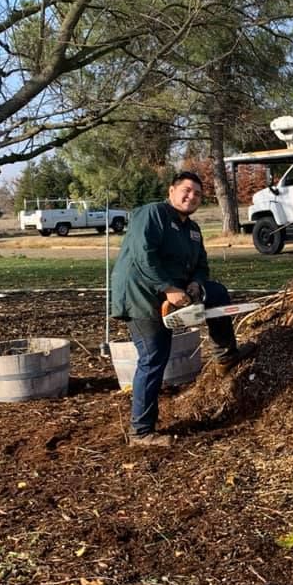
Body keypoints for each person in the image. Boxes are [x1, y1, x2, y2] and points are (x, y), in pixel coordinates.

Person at [111, 172, 257, 447]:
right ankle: (141, 432)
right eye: (186, 190)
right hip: (140, 295)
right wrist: (168, 289)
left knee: (216, 292)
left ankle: (226, 354)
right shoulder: (152, 214)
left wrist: (195, 285)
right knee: (153, 358)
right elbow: (144, 256)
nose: (191, 197)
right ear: (171, 190)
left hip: (176, 292)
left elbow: (201, 264)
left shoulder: (192, 229)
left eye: (198, 194)